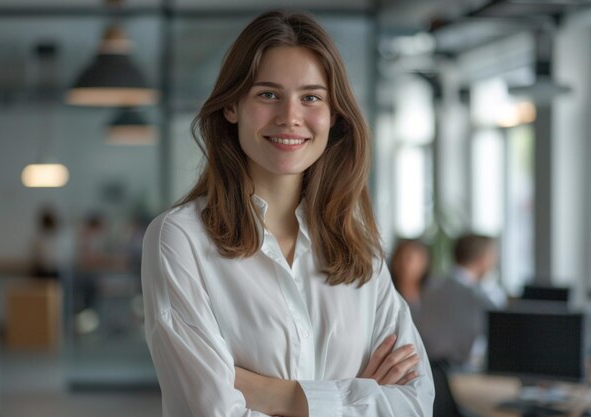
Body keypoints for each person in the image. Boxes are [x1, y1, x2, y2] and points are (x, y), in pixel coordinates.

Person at [141, 10, 433, 417]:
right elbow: (210, 411)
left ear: (334, 116)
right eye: (267, 94)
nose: (290, 116)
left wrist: (265, 392)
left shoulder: (360, 249)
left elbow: (415, 405)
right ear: (232, 107)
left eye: (311, 97)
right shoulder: (180, 239)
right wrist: (357, 394)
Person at [415, 233, 505, 367]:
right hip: (463, 373)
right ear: (482, 259)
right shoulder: (480, 298)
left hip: (429, 369)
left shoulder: (430, 287)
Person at [390, 238, 430, 316]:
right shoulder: (387, 295)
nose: (404, 265)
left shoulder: (432, 299)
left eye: (409, 259)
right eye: (400, 258)